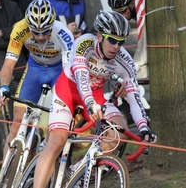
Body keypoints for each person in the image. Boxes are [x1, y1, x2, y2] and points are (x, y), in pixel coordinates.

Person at [33, 10, 157, 187]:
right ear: (99, 36)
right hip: (68, 90)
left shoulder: (125, 61)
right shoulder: (84, 43)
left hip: (95, 95)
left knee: (118, 132)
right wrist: (90, 104)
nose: (116, 46)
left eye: (120, 42)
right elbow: (82, 78)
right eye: (112, 40)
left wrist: (144, 127)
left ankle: (76, 172)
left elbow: (134, 95)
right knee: (56, 142)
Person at [0, 0, 74, 158]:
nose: (39, 36)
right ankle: (5, 180)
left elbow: (68, 72)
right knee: (17, 124)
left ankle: (60, 167)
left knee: (54, 126)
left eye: (45, 31)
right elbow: (9, 65)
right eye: (35, 31)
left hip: (58, 71)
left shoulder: (63, 33)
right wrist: (4, 86)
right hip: (35, 69)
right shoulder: (20, 28)